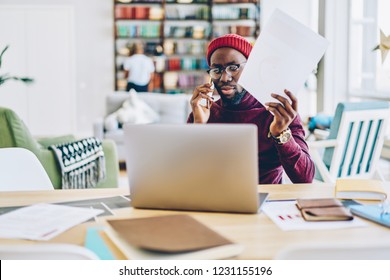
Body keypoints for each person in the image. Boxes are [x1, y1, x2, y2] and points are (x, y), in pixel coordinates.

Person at [188, 34, 315, 184]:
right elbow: (186, 175)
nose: (224, 78)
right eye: (216, 70)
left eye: (233, 68)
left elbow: (305, 178)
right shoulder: (203, 113)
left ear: (252, 68)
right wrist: (198, 127)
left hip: (266, 202)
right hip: (214, 201)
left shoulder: (279, 113)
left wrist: (280, 134)